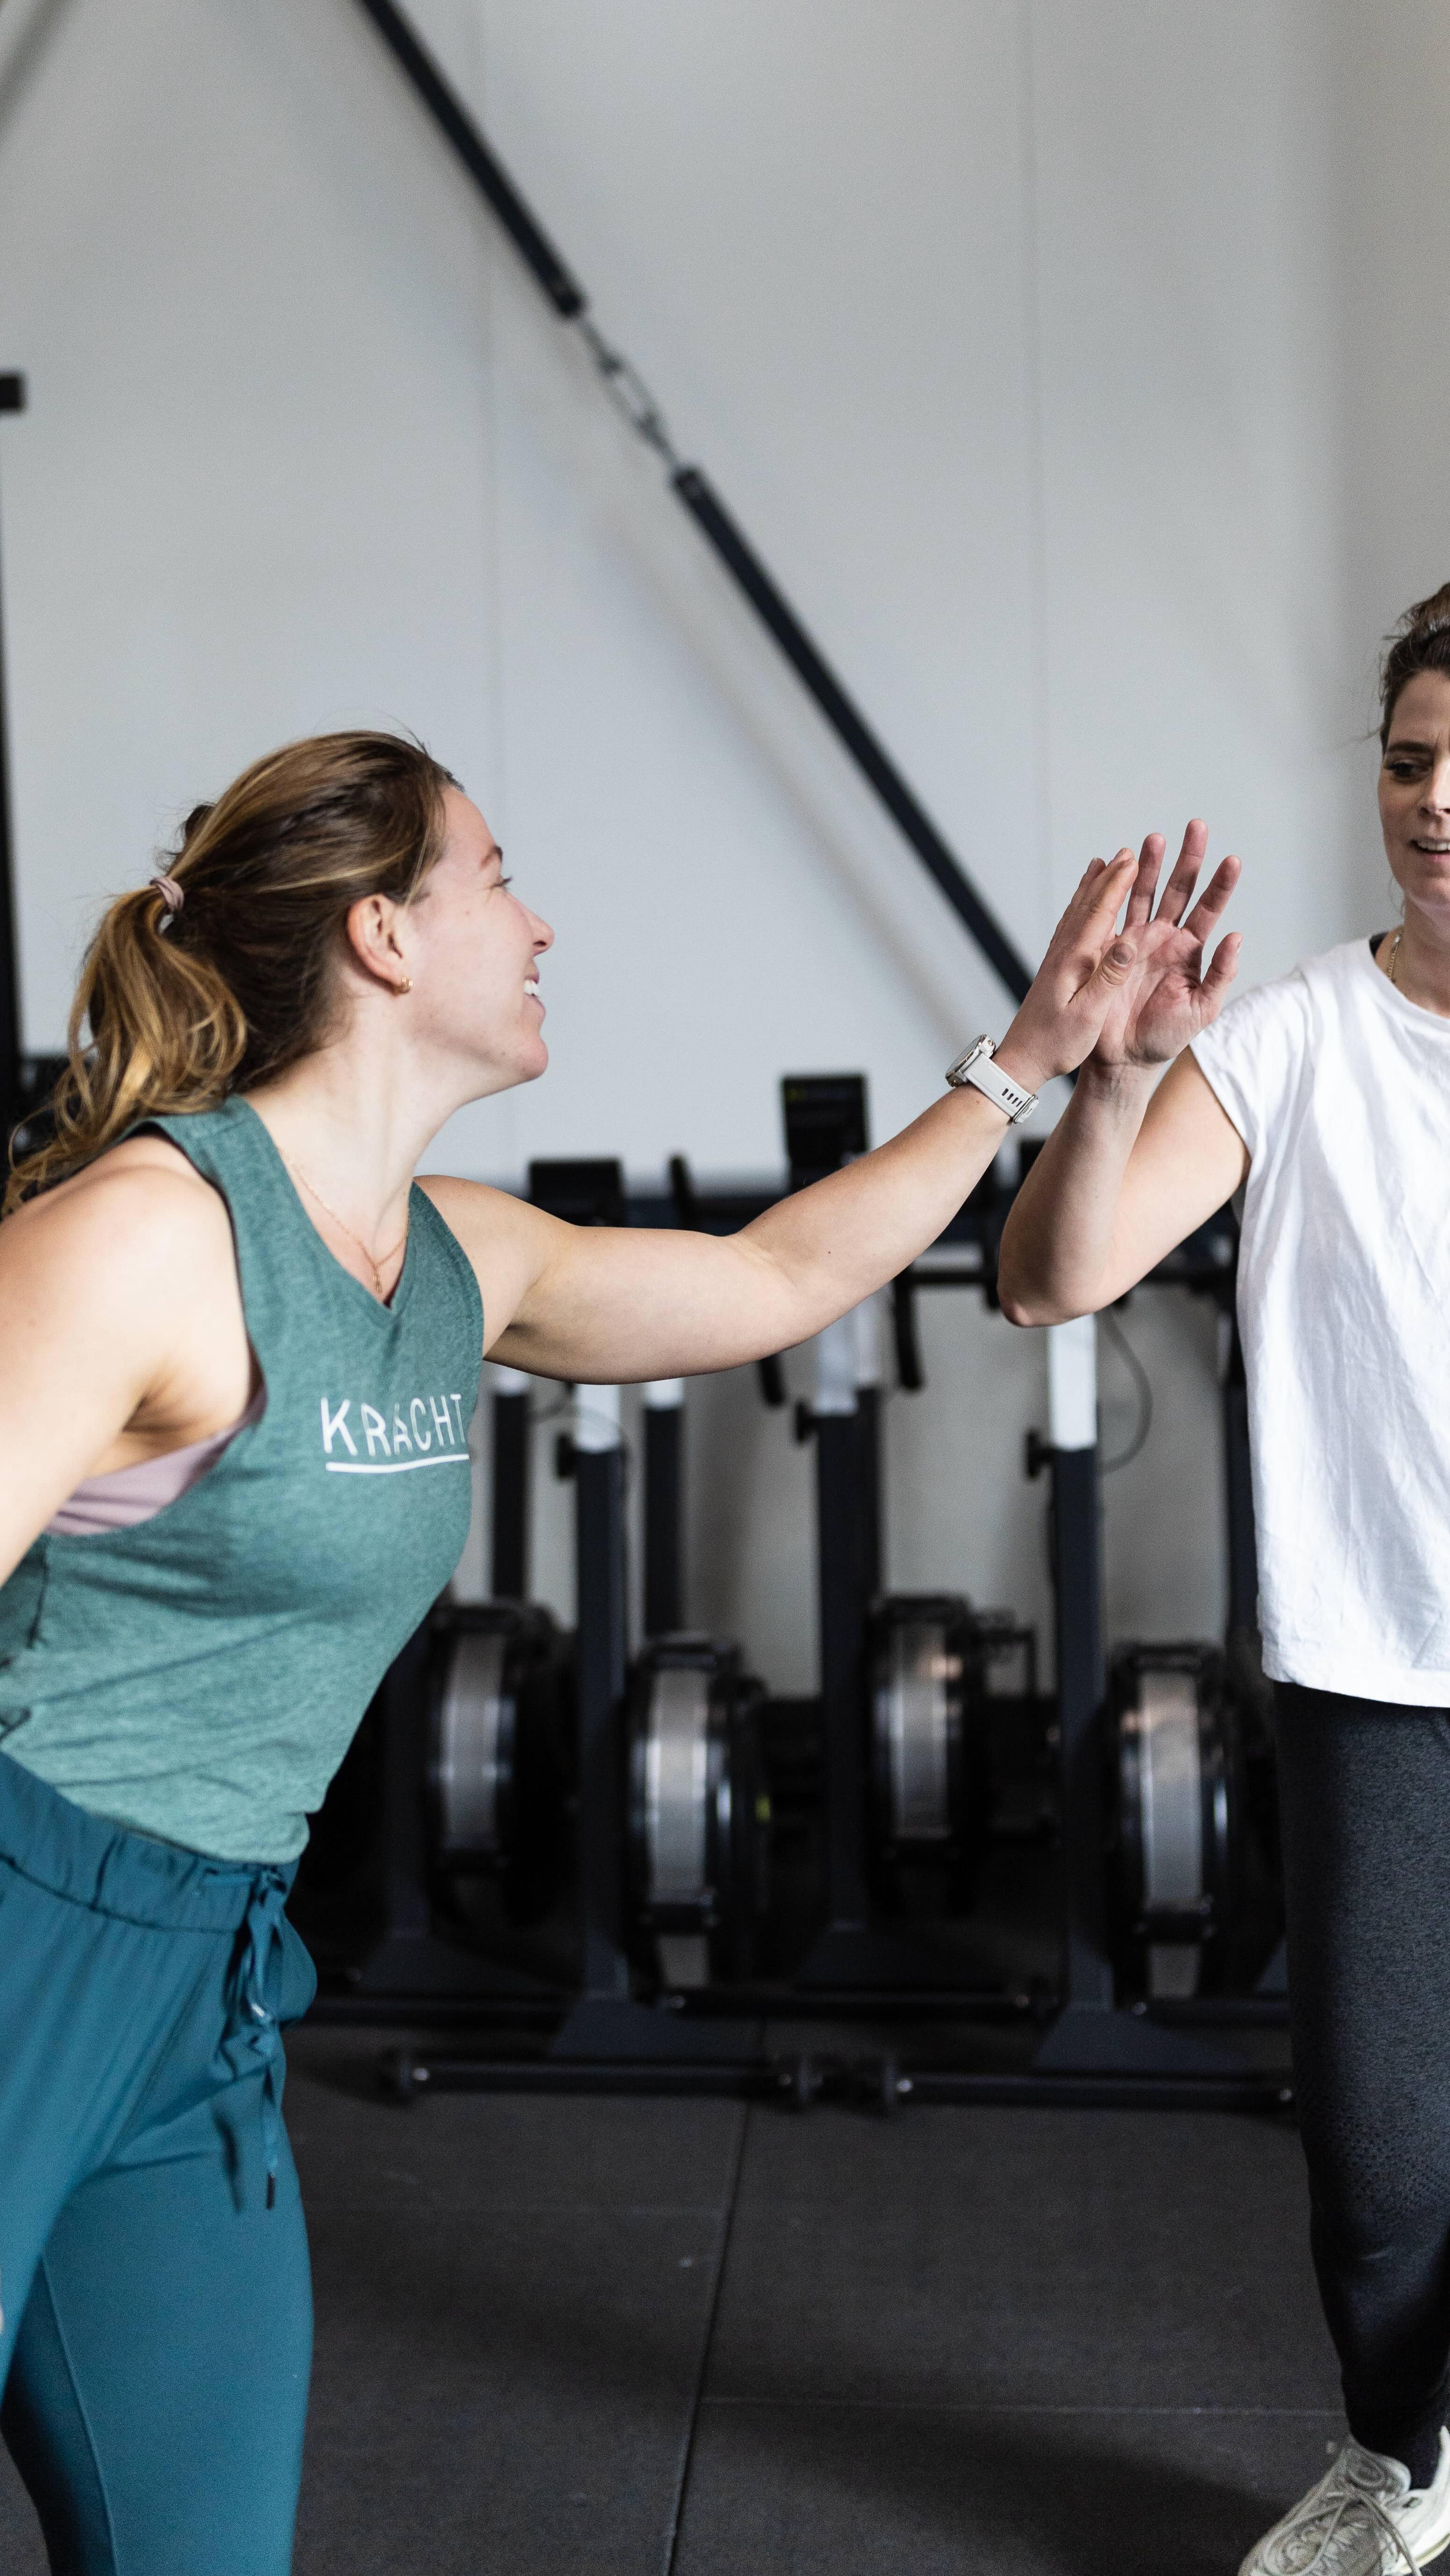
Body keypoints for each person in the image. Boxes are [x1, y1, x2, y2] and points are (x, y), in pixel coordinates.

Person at [0, 726, 1144, 2575]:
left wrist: (1017, 1064)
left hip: (197, 1984)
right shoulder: (145, 1237)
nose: (540, 920)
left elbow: (778, 1275)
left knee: (194, 2547)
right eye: (496, 875)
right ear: (381, 936)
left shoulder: (460, 1256)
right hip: (20, 1915)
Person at [998, 581, 1450, 2576]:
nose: (1432, 800)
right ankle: (1395, 2455)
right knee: (1377, 2164)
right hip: (1377, 1670)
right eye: (1408, 760)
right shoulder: (1290, 1040)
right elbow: (1051, 1277)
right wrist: (1105, 1075)